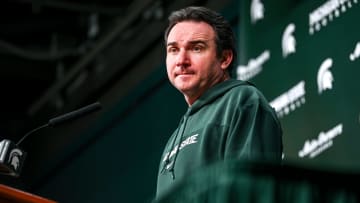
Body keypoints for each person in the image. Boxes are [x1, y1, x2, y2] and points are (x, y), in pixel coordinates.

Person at [156, 6, 283, 199]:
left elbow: (249, 192)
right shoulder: (172, 139)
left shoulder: (242, 101)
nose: (181, 60)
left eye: (196, 48)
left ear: (224, 58)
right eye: (173, 50)